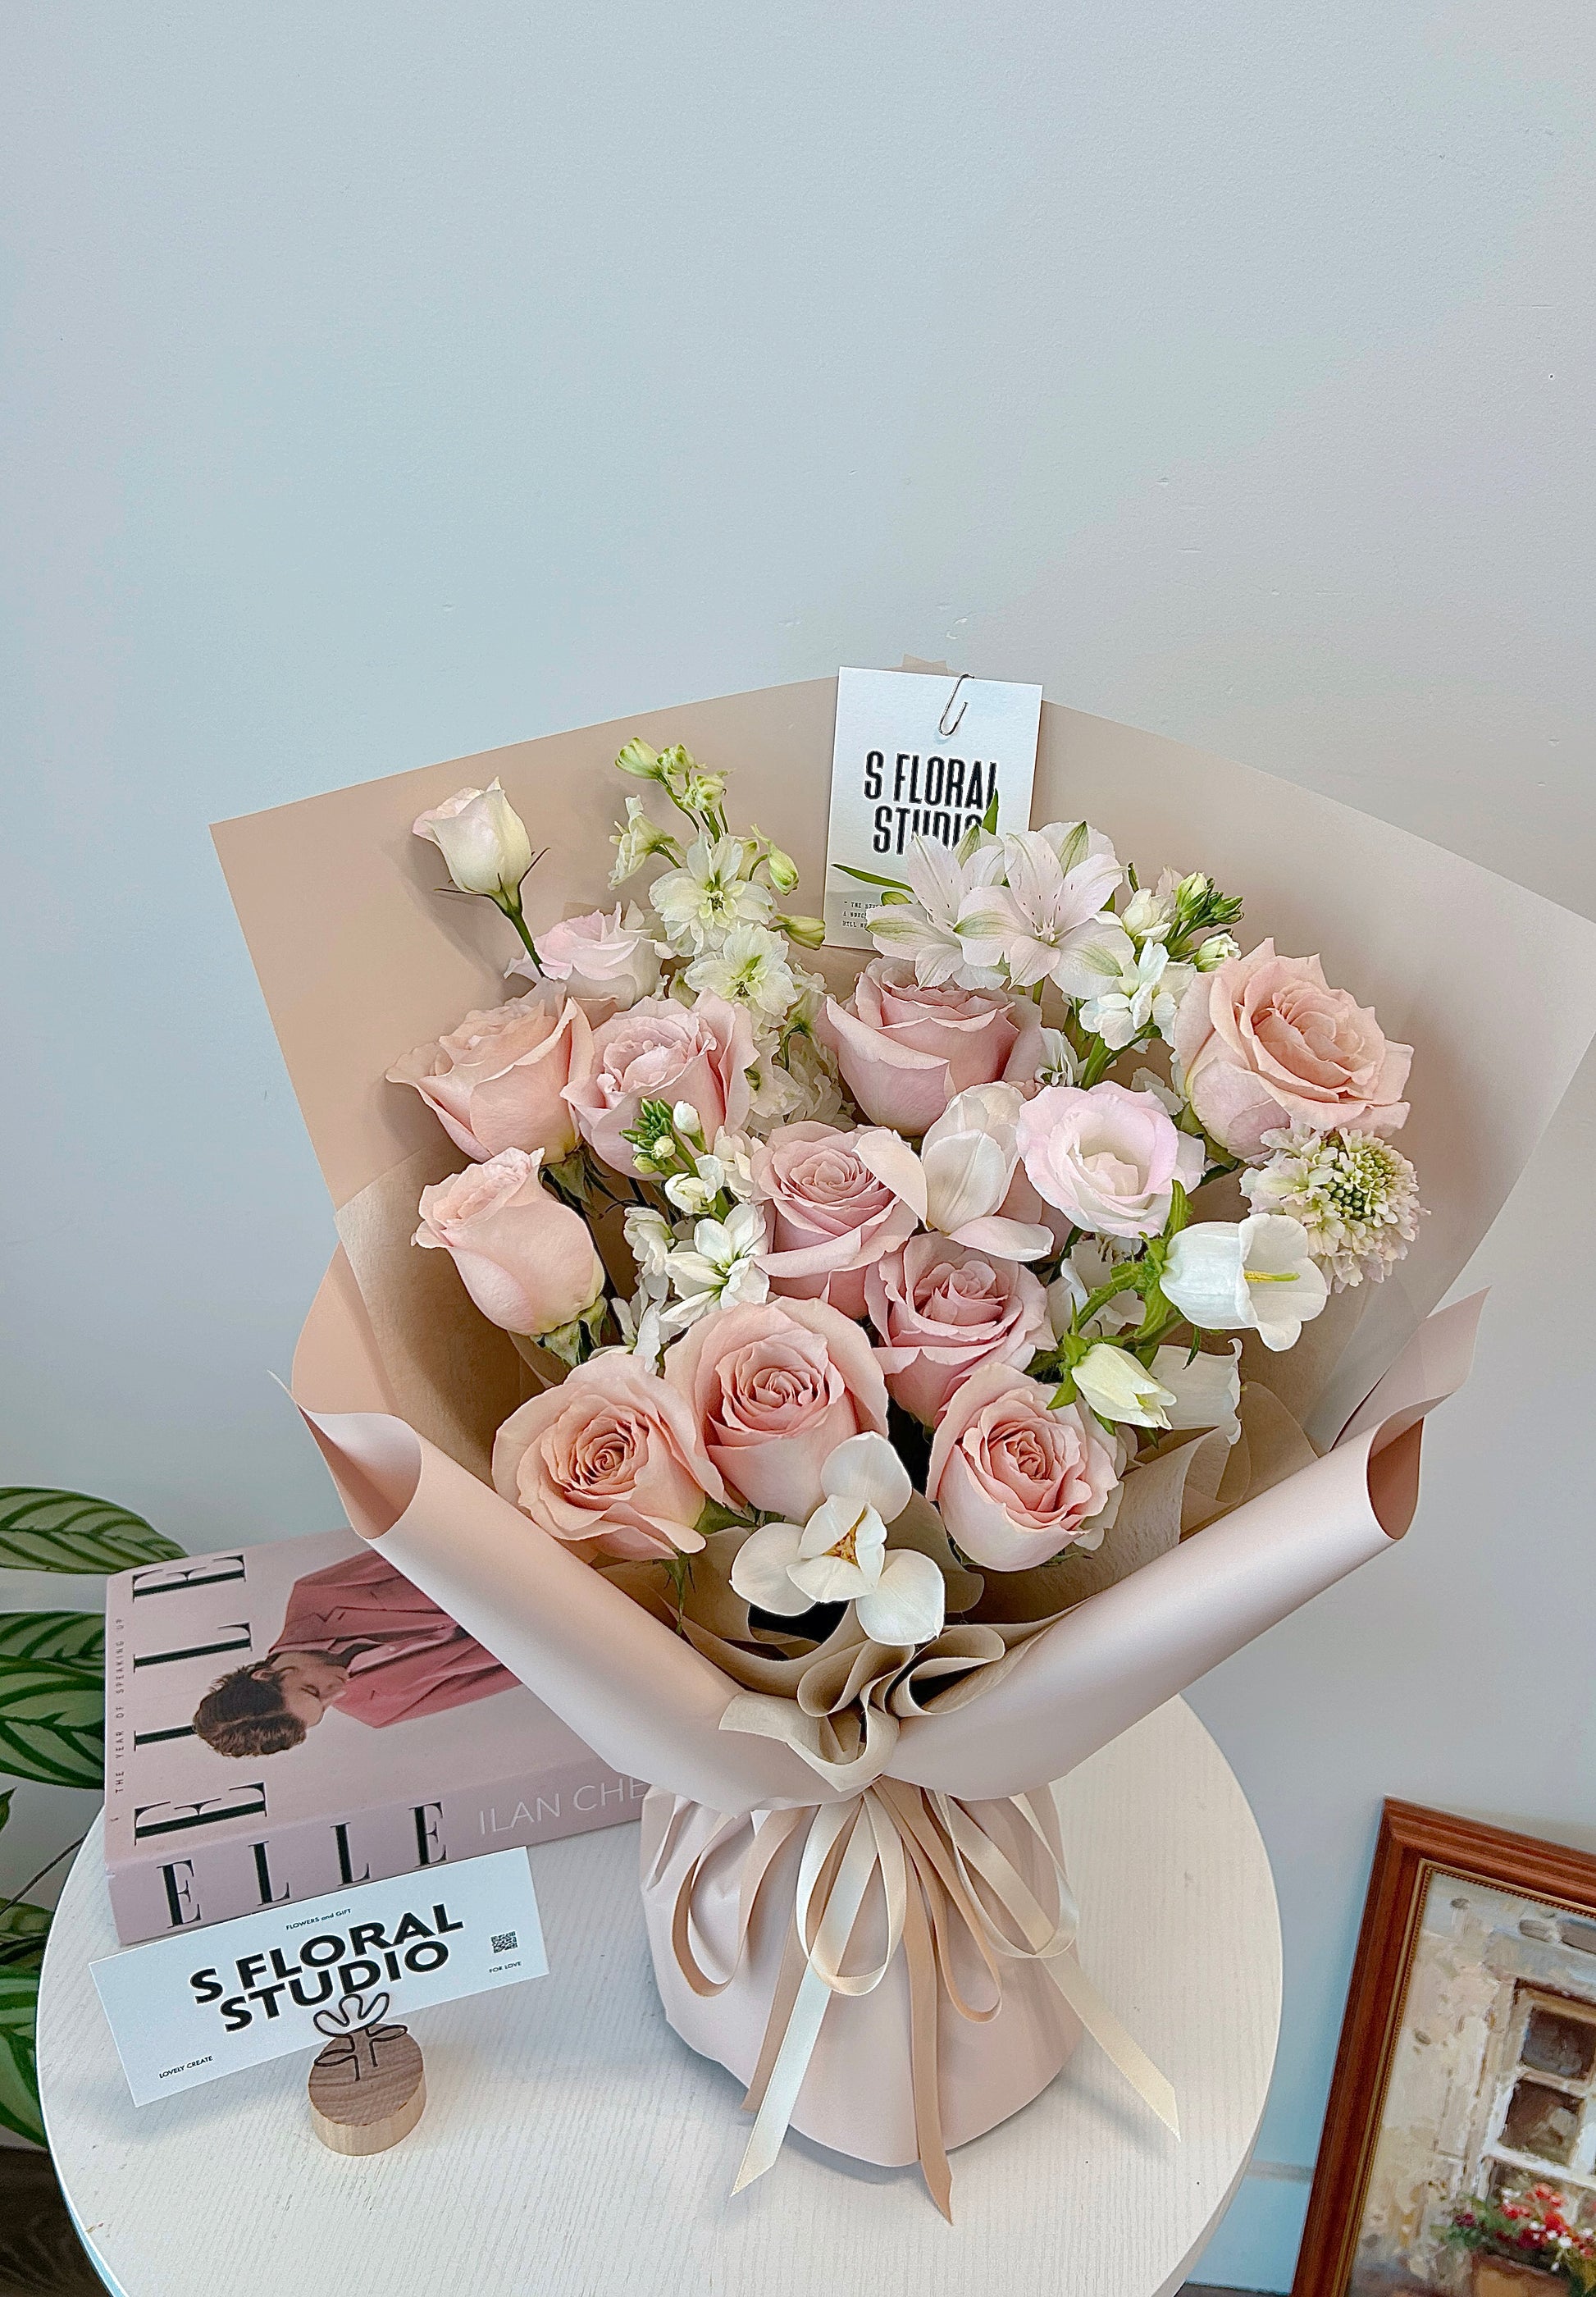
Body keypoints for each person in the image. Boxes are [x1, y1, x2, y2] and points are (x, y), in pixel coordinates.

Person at [193, 1549, 518, 1759]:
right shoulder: (378, 1711)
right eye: (324, 1706)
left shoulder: (318, 1595)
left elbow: (439, 1541)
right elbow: (516, 1674)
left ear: (265, 1674)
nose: (336, 1693)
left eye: (312, 1691)